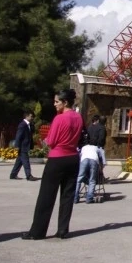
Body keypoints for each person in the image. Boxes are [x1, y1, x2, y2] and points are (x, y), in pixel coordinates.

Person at [22, 89, 84, 240]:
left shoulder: (59, 119)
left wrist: (47, 141)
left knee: (46, 195)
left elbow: (51, 141)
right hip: (73, 158)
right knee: (67, 195)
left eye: (57, 101)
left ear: (65, 102)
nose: (54, 104)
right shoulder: (78, 118)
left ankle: (37, 232)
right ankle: (63, 230)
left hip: (57, 158)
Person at [10, 111, 38, 181]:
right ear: (27, 116)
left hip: (26, 146)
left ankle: (13, 175)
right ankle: (28, 176)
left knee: (19, 161)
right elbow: (18, 136)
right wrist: (17, 146)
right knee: (26, 161)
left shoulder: (29, 124)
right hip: (23, 146)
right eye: (31, 116)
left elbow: (32, 133)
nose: (32, 118)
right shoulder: (22, 125)